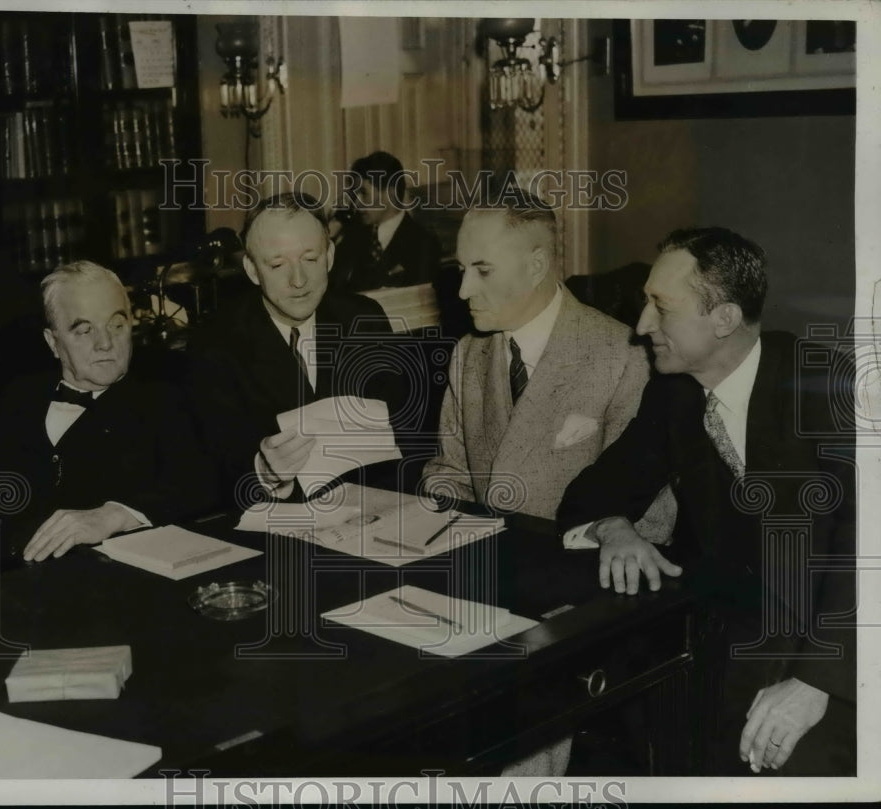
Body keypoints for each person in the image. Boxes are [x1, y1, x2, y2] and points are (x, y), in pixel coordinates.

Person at [557, 227, 856, 776]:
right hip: (726, 647)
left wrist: (815, 682)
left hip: (838, 649)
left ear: (723, 319)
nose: (642, 326)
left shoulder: (828, 384)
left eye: (659, 307)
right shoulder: (672, 393)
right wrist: (615, 528)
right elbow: (589, 496)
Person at [420, 189, 674, 777]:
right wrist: (440, 514)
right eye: (462, 270)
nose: (463, 290)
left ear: (536, 264)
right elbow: (448, 469)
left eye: (482, 270)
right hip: (476, 588)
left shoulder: (623, 355)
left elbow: (652, 519)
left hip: (575, 608)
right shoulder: (469, 354)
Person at [0, 261, 213, 565]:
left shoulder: (167, 394)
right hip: (1, 579)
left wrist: (115, 515)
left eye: (116, 325)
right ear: (53, 342)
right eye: (84, 330)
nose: (105, 343)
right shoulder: (19, 394)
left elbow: (199, 485)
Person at [187, 192, 411, 508]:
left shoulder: (364, 319)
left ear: (330, 255)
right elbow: (209, 469)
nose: (299, 280)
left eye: (310, 259)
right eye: (278, 264)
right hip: (276, 528)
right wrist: (264, 474)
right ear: (252, 270)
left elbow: (404, 434)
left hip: (371, 516)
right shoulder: (215, 342)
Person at [330, 150, 442, 292]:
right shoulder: (351, 238)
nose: (356, 203)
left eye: (364, 193)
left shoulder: (424, 243)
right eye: (355, 194)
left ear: (390, 193)